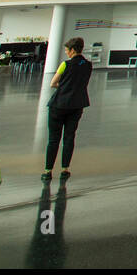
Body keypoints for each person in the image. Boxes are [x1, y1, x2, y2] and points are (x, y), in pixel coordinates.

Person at [44, 37, 92, 181]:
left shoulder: (65, 64)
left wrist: (64, 87)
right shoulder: (88, 65)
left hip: (59, 105)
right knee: (69, 137)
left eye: (67, 50)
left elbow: (53, 83)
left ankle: (48, 171)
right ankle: (65, 169)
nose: (66, 53)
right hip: (77, 105)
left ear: (72, 50)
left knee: (53, 139)